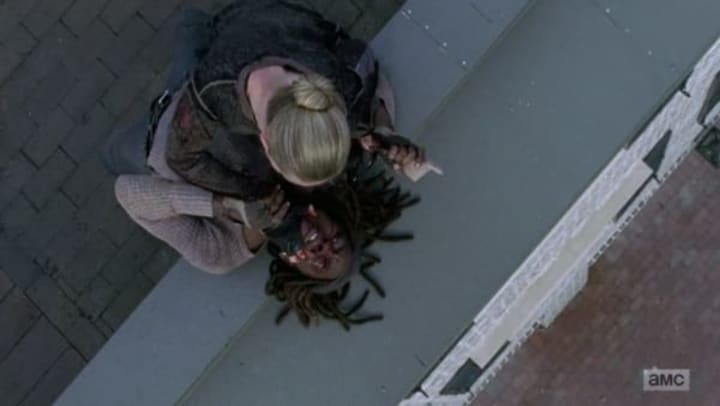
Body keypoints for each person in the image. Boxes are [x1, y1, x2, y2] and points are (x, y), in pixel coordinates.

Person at [103, 0, 426, 201]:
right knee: (124, 151)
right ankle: (193, 22)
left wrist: (380, 132)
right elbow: (181, 157)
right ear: (266, 143)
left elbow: (360, 56)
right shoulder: (214, 90)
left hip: (280, 17)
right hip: (232, 25)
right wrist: (254, 192)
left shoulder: (337, 85)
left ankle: (193, 20)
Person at [115, 146, 419, 329]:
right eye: (336, 240)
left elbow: (126, 192)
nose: (323, 246)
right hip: (198, 83)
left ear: (290, 264)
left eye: (321, 263)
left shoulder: (221, 253)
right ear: (330, 216)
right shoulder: (305, 172)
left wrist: (223, 206)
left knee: (113, 151)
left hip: (146, 143)